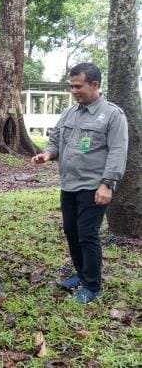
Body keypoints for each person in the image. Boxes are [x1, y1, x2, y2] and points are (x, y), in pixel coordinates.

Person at [32, 62, 128, 304]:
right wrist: (48, 154)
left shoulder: (113, 115)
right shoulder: (70, 113)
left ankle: (93, 286)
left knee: (88, 235)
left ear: (94, 85)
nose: (73, 91)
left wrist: (107, 184)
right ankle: (81, 274)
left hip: (93, 187)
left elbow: (118, 152)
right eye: (71, 86)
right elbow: (55, 140)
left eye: (78, 86)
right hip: (69, 184)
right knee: (72, 232)